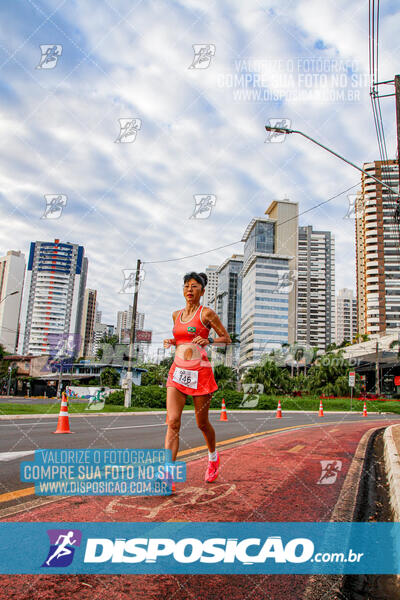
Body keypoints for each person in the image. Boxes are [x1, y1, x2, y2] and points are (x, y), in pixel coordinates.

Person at [163, 272, 231, 490]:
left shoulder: (207, 314)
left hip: (200, 374)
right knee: (173, 422)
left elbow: (226, 339)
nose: (189, 290)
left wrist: (209, 339)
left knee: (202, 423)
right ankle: (168, 475)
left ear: (202, 290)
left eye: (193, 286)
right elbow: (182, 339)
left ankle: (212, 457)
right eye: (185, 286)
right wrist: (172, 341)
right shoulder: (176, 315)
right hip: (177, 372)